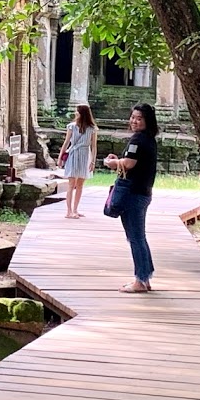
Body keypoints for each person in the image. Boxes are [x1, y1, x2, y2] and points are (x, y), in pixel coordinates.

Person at [104, 102, 159, 293]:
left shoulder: (138, 140)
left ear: (147, 121)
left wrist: (110, 163)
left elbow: (128, 164)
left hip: (133, 193)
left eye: (139, 118)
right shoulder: (148, 139)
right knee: (138, 237)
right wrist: (117, 160)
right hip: (142, 192)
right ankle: (145, 276)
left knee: (135, 238)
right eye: (133, 117)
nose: (134, 121)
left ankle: (141, 280)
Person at [57, 103, 97, 219]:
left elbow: (94, 147)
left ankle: (75, 209)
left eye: (77, 111)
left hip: (85, 155)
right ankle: (69, 211)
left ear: (82, 113)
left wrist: (93, 161)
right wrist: (60, 158)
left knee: (80, 184)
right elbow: (66, 143)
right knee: (71, 183)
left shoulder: (92, 129)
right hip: (74, 154)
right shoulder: (72, 127)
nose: (76, 113)